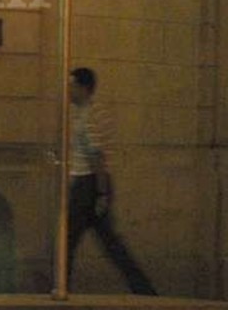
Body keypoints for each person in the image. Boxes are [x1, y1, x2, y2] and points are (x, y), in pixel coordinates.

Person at [65, 67, 156, 295]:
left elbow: (97, 155)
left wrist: (101, 192)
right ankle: (143, 288)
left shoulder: (91, 116)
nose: (68, 90)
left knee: (67, 240)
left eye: (72, 85)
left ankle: (60, 285)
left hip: (89, 183)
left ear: (84, 88)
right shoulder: (82, 113)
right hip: (88, 182)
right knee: (110, 242)